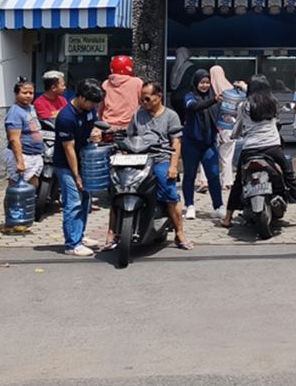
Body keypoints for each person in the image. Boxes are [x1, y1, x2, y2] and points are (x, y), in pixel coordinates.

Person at [221, 76, 296, 230]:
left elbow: (239, 125)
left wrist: (234, 135)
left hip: (250, 149)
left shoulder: (243, 106)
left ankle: (227, 218)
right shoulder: (273, 103)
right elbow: (276, 120)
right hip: (272, 148)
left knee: (238, 182)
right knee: (289, 178)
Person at [104, 81, 192, 251]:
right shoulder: (138, 114)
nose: (144, 103)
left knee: (169, 192)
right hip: (137, 158)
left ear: (159, 97)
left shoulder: (171, 116)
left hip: (160, 159)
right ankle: (111, 232)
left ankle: (180, 233)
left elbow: (176, 142)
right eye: (141, 99)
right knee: (117, 190)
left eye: (147, 99)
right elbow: (130, 135)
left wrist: (173, 167)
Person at [55, 77, 106, 256]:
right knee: (73, 202)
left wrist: (96, 133)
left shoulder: (89, 111)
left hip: (83, 160)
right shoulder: (66, 117)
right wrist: (76, 176)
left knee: (85, 200)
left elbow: (94, 126)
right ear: (82, 98)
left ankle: (79, 235)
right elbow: (68, 149)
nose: (94, 106)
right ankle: (72, 244)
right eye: (92, 102)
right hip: (66, 164)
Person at [181, 68, 225, 221]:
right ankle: (190, 205)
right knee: (189, 175)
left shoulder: (214, 98)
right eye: (202, 82)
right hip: (191, 143)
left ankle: (219, 207)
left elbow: (221, 116)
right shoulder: (189, 97)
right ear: (196, 83)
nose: (205, 85)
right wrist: (213, 101)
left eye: (207, 82)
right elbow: (194, 107)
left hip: (209, 144)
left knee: (213, 175)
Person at [5, 78, 46, 196]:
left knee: (32, 187)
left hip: (35, 154)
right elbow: (14, 139)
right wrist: (20, 162)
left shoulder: (30, 108)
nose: (28, 96)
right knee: (16, 190)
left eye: (31, 93)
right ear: (16, 93)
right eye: (24, 93)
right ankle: (11, 208)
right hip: (23, 155)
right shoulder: (15, 113)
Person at [210, 66, 244, 190]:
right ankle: (227, 182)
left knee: (209, 154)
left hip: (215, 127)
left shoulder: (211, 91)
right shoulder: (231, 90)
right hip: (230, 128)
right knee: (227, 156)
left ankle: (205, 180)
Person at [99, 55, 143, 132]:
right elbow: (144, 103)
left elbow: (101, 107)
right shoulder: (137, 82)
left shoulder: (106, 84)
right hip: (130, 126)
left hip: (108, 126)